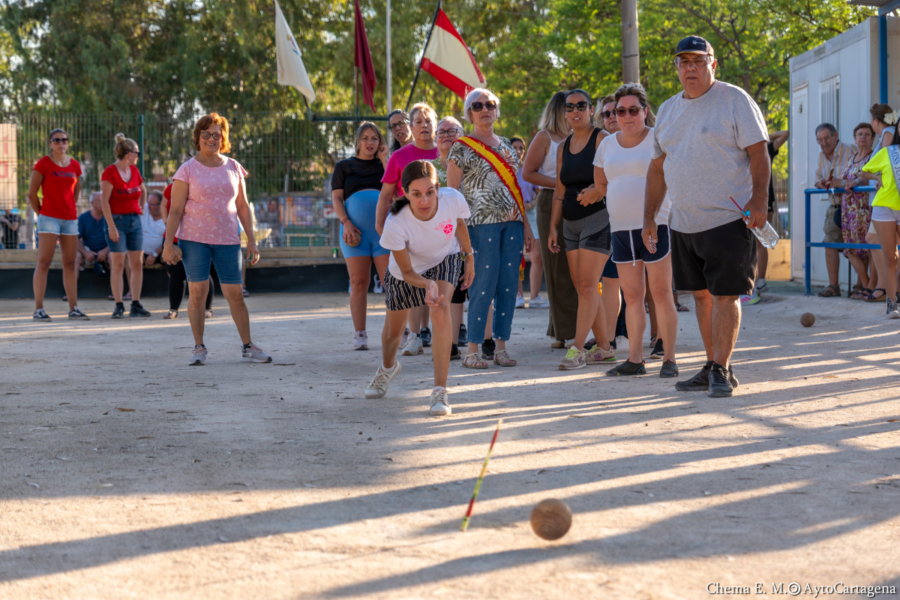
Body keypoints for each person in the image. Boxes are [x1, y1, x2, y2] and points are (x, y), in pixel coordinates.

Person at [643, 35, 770, 398]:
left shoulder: (734, 100)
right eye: (684, 62)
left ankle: (722, 367)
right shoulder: (667, 109)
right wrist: (650, 216)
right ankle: (712, 363)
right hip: (683, 221)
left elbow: (759, 153)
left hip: (728, 218)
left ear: (713, 65)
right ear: (677, 68)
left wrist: (759, 199)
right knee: (700, 296)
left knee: (726, 296)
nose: (691, 68)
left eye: (699, 61)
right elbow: (656, 169)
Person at [365, 161, 474, 416]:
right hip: (407, 274)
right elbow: (407, 272)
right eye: (416, 194)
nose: (424, 200)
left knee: (440, 307)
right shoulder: (395, 222)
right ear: (405, 193)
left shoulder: (452, 199)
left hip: (444, 258)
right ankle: (387, 368)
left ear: (438, 188)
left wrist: (469, 256)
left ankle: (440, 390)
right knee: (393, 334)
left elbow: (458, 224)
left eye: (430, 192)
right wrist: (427, 284)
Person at [162, 113, 272, 365]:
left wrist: (252, 240)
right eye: (206, 134)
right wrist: (169, 244)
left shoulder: (234, 167)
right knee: (198, 292)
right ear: (197, 138)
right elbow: (175, 210)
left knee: (235, 293)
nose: (212, 138)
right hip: (193, 240)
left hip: (228, 240)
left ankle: (247, 346)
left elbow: (242, 206)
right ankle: (199, 347)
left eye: (216, 134)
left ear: (222, 138)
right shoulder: (186, 169)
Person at [594, 83, 678, 378]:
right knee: (632, 296)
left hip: (655, 225)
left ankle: (669, 358)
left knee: (661, 293)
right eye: (620, 111)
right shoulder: (606, 144)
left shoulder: (657, 139)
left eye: (633, 110)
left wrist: (651, 216)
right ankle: (635, 359)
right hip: (620, 230)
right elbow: (601, 183)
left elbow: (668, 178)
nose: (627, 116)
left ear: (645, 111)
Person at [448, 88, 535, 368]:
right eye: (477, 105)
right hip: (479, 226)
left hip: (512, 223)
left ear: (497, 110)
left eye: (490, 104)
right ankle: (472, 350)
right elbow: (452, 195)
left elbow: (517, 190)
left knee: (509, 286)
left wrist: (527, 228)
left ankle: (500, 348)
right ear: (469, 112)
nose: (485, 109)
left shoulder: (508, 146)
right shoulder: (461, 147)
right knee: (482, 285)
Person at [545, 89, 617, 370]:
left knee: (588, 286)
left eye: (581, 106)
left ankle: (577, 349)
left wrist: (599, 191)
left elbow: (618, 175)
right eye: (570, 107)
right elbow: (560, 190)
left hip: (598, 219)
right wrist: (553, 226)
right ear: (564, 113)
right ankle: (605, 348)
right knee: (583, 288)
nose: (576, 111)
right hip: (569, 224)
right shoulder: (563, 146)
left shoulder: (602, 139)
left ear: (591, 110)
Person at [376, 103, 440, 356]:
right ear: (410, 127)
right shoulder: (400, 157)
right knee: (413, 280)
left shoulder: (447, 152)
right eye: (418, 122)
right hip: (410, 231)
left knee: (442, 282)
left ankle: (446, 334)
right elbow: (385, 195)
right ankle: (415, 336)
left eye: (428, 121)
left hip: (442, 231)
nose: (424, 126)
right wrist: (380, 225)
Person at [522, 91, 577, 348]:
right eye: (569, 107)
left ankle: (566, 328)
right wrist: (559, 184)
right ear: (559, 110)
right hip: (549, 202)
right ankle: (563, 331)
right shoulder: (544, 137)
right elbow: (528, 173)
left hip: (580, 202)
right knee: (556, 266)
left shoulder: (581, 136)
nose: (574, 112)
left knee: (577, 267)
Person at [331, 121, 390, 350]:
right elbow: (337, 199)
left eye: (374, 138)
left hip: (383, 232)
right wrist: (346, 223)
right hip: (354, 233)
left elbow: (395, 189)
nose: (370, 142)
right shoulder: (344, 166)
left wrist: (386, 160)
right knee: (358, 282)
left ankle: (399, 330)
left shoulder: (385, 164)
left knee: (391, 283)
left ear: (380, 142)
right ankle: (360, 334)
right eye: (365, 138)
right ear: (357, 141)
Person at [28, 128, 89, 321]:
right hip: (48, 218)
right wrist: (44, 214)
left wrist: (67, 209)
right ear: (50, 143)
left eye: (64, 140)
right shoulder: (43, 164)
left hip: (70, 219)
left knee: (70, 264)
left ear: (68, 143)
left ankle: (73, 308)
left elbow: (75, 193)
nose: (61, 143)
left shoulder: (75, 166)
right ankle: (39, 310)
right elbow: (32, 194)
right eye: (56, 140)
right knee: (44, 262)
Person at [431, 116, 470, 359]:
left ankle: (456, 343)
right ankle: (442, 341)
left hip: (467, 231)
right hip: (436, 236)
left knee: (461, 290)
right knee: (440, 291)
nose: (446, 135)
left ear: (462, 135)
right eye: (441, 131)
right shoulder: (429, 167)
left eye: (452, 131)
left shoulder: (472, 163)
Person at [100, 133, 150, 318]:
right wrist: (111, 226)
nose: (138, 155)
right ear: (129, 153)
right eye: (137, 152)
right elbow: (104, 201)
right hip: (116, 221)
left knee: (137, 263)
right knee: (118, 262)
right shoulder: (109, 172)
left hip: (134, 220)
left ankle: (135, 304)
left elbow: (143, 191)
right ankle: (119, 305)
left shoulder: (135, 171)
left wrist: (141, 208)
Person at [744, 129, 789, 304]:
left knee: (759, 241)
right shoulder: (739, 152)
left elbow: (785, 133)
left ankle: (760, 282)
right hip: (743, 202)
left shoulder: (764, 148)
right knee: (746, 243)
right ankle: (751, 282)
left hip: (763, 201)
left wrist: (758, 135)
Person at [813, 123, 856, 298]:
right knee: (829, 243)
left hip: (853, 206)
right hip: (835, 207)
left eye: (826, 138)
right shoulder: (821, 156)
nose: (823, 143)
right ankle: (833, 286)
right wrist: (820, 183)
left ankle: (862, 286)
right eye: (819, 140)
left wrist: (841, 182)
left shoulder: (850, 150)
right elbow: (817, 178)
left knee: (857, 247)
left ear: (835, 135)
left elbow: (860, 174)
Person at [160, 183, 214, 320]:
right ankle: (173, 310)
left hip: (196, 237)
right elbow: (163, 204)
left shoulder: (201, 186)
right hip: (174, 237)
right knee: (175, 274)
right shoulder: (173, 185)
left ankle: (207, 308)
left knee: (203, 273)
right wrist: (167, 222)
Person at [861, 134, 900, 318]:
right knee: (890, 257)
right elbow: (864, 171)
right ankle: (892, 304)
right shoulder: (888, 152)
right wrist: (877, 177)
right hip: (884, 208)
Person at [840, 124, 877, 299]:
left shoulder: (874, 157)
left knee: (870, 249)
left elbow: (874, 178)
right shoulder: (851, 157)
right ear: (854, 138)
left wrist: (857, 182)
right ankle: (865, 283)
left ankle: (870, 287)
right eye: (859, 134)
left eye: (867, 134)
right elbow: (845, 180)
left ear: (872, 138)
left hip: (866, 209)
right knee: (851, 249)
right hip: (848, 211)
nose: (863, 137)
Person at [864, 104, 897, 302]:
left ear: (876, 121)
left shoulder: (888, 133)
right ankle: (886, 289)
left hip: (889, 200)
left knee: (889, 250)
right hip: (885, 201)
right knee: (880, 244)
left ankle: (885, 287)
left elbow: (887, 163)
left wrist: (877, 177)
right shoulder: (889, 134)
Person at [510, 136, 545, 309]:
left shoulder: (529, 170)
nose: (518, 151)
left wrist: (531, 203)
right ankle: (517, 296)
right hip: (513, 217)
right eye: (514, 147)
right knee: (516, 257)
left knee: (537, 256)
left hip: (531, 215)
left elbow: (539, 191)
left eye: (521, 148)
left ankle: (535, 296)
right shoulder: (505, 171)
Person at [76, 192, 111, 276]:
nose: (105, 203)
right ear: (92, 203)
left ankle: (114, 288)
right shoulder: (82, 218)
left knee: (115, 257)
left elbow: (119, 237)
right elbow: (74, 238)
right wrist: (85, 252)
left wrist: (106, 251)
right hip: (88, 250)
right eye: (101, 201)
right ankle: (72, 288)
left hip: (108, 249)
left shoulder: (111, 217)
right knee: (75, 257)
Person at [141, 190, 167, 267]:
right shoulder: (144, 209)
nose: (148, 206)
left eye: (152, 204)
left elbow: (170, 240)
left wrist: (155, 254)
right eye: (148, 203)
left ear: (161, 204)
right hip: (141, 252)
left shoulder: (168, 217)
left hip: (160, 254)